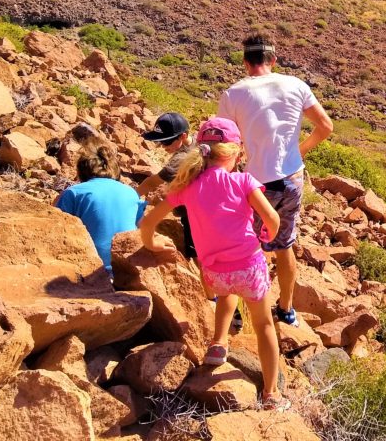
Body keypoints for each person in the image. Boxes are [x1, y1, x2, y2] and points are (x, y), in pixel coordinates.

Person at [138, 117, 284, 408]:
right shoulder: (244, 181)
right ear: (235, 152)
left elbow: (149, 222)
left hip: (214, 275)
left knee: (227, 293)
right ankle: (271, 395)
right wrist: (266, 235)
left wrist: (151, 243)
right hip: (249, 268)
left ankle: (218, 344)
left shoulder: (187, 186)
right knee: (264, 324)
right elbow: (273, 219)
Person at [218, 33, 333, 326]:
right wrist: (298, 151)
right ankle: (286, 310)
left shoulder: (233, 94)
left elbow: (225, 144)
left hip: (257, 184)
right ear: (273, 61)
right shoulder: (296, 85)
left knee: (250, 246)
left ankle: (243, 313)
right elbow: (325, 126)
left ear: (245, 63)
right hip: (292, 179)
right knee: (284, 246)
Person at [56, 142, 146, 275]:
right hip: (126, 272)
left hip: (89, 272)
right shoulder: (131, 193)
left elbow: (58, 235)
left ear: (81, 170)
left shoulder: (74, 193)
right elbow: (141, 230)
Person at [138, 112, 195, 258]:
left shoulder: (181, 159)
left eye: (166, 142)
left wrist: (133, 195)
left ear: (183, 136)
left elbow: (152, 182)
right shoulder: (199, 142)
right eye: (160, 141)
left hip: (194, 212)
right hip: (208, 204)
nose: (163, 146)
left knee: (194, 248)